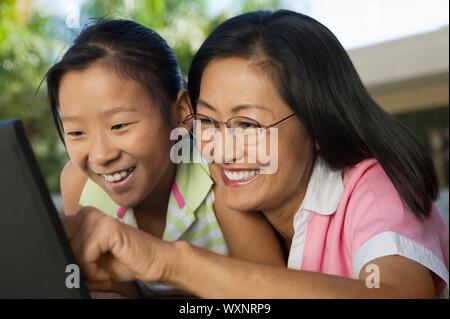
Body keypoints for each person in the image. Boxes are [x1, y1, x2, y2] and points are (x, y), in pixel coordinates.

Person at [61, 10, 449, 298]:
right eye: (209, 122)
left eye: (247, 126)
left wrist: (168, 261)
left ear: (316, 121)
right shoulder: (237, 210)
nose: (222, 150)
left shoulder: (374, 190)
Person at [46, 19, 284, 298]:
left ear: (181, 113)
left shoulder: (219, 174)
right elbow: (115, 289)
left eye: (120, 125)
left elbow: (271, 291)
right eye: (76, 132)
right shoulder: (80, 186)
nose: (100, 155)